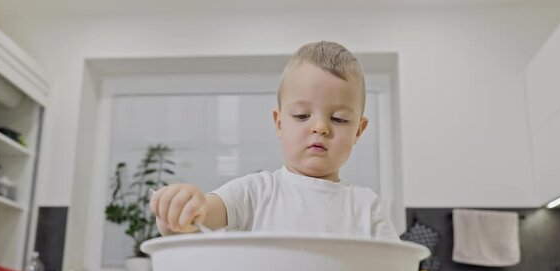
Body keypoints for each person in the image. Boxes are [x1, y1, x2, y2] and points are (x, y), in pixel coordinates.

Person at [149, 41, 399, 241]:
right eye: (302, 115)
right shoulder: (254, 192)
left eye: (339, 119)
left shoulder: (367, 207)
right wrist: (180, 209)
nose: (320, 127)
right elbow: (193, 222)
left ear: (359, 130)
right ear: (279, 123)